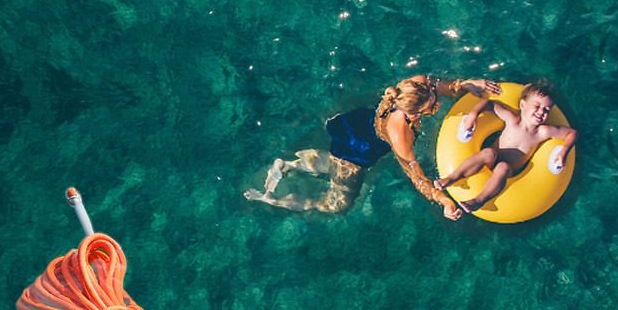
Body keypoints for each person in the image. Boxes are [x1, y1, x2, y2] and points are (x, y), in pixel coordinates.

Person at [243, 75, 501, 221]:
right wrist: (442, 200)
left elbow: (435, 84)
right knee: (338, 205)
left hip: (356, 123)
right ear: (413, 115)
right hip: (360, 150)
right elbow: (417, 178)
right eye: (431, 108)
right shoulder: (400, 135)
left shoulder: (412, 86)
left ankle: (288, 164)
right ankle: (272, 198)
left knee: (335, 160)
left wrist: (464, 85)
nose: (437, 106)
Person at [433, 80, 578, 213]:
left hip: (508, 171)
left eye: (546, 110)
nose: (541, 112)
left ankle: (478, 200)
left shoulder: (543, 132)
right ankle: (452, 178)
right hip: (490, 159)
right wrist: (473, 115)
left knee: (503, 167)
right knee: (488, 153)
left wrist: (564, 151)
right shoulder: (512, 119)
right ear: (523, 105)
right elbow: (489, 104)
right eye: (537, 106)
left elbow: (572, 133)